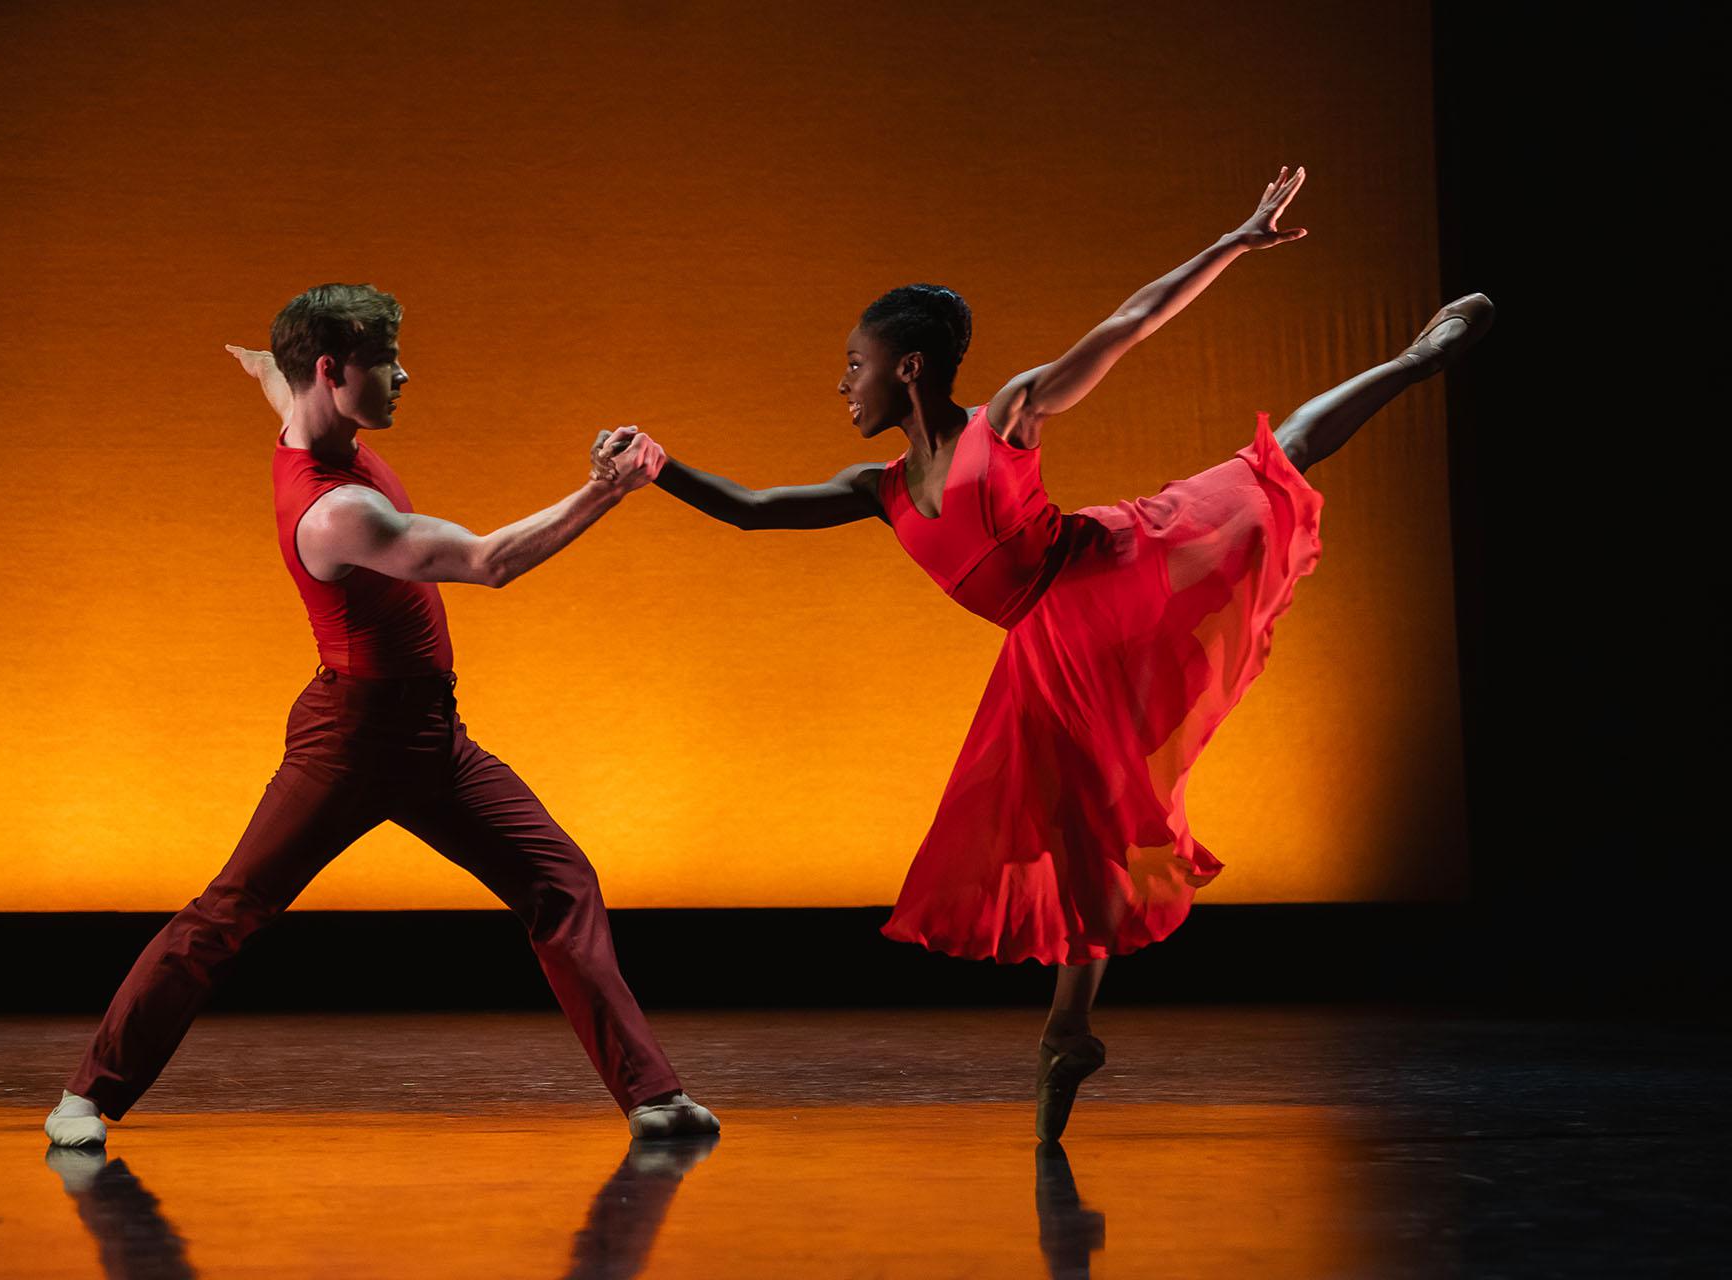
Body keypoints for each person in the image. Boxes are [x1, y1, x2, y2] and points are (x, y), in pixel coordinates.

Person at [596, 167, 1492, 1140]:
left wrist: (1235, 240)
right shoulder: (879, 485)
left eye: (853, 362)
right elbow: (753, 512)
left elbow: (1128, 324)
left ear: (907, 370)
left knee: (1268, 472)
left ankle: (1415, 358)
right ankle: (1068, 1026)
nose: (840, 380)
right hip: (1043, 650)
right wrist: (658, 466)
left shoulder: (1006, 419)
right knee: (1080, 828)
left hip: (1108, 577)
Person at [46, 283, 719, 1147]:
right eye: (386, 362)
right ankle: (85, 1098)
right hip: (351, 741)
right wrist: (606, 489)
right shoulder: (337, 512)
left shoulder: (307, 414)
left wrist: (260, 359)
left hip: (432, 736)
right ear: (331, 373)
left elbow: (275, 378)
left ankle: (654, 1099)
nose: (405, 375)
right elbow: (487, 561)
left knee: (559, 884)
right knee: (231, 911)